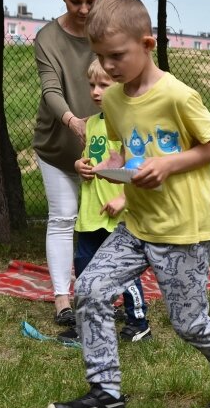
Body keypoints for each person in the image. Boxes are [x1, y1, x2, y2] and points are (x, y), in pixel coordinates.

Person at [47, 0, 210, 408]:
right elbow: (126, 152)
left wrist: (169, 165)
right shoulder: (113, 99)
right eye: (101, 57)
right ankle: (106, 397)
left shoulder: (178, 96)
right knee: (89, 290)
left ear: (147, 44)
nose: (108, 66)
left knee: (188, 323)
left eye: (117, 56)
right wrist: (104, 168)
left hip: (184, 230)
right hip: (137, 225)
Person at [57, 59, 153, 344]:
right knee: (85, 270)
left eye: (104, 85)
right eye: (92, 85)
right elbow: (92, 162)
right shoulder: (91, 124)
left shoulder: (128, 125)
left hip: (117, 218)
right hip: (91, 214)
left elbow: (138, 167)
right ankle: (89, 323)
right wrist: (79, 166)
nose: (96, 92)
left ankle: (139, 322)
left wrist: (124, 197)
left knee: (122, 272)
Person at [33, 0, 102, 326]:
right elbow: (50, 89)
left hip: (104, 148)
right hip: (58, 145)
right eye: (76, 1)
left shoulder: (108, 32)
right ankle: (62, 300)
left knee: (104, 221)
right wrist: (74, 121)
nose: (84, 9)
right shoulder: (48, 37)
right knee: (63, 218)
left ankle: (102, 292)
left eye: (91, 0)